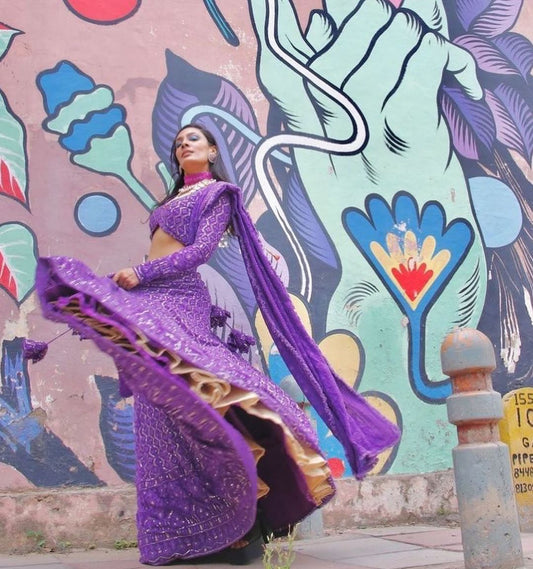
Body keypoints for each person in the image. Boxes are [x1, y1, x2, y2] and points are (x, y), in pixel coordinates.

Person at [33, 123, 400, 565]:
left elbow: (200, 252)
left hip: (179, 298)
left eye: (193, 139)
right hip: (151, 296)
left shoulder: (217, 194)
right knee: (160, 408)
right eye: (178, 142)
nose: (183, 144)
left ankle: (244, 516)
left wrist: (141, 272)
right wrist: (134, 283)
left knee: (199, 391)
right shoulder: (173, 199)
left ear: (211, 151)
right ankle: (191, 533)